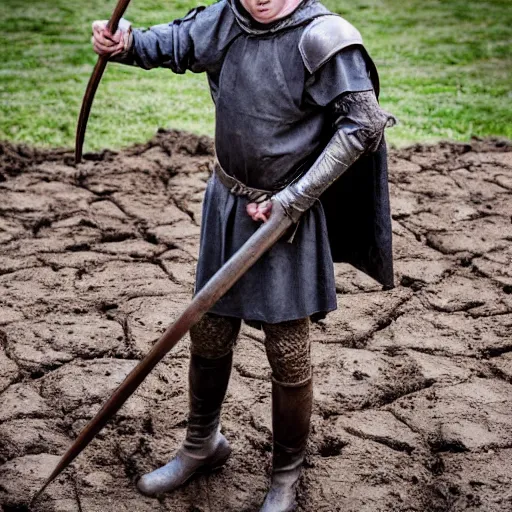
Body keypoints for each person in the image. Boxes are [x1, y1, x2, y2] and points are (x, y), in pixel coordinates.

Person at [92, 0, 395, 510]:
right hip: (228, 205)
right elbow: (174, 42)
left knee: (286, 348)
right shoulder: (227, 19)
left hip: (287, 217)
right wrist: (124, 43)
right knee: (209, 331)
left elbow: (363, 125)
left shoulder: (323, 38)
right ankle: (201, 445)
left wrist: (293, 200)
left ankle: (285, 475)